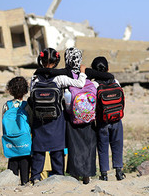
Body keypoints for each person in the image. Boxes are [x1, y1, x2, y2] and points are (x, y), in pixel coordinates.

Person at [28, 48, 87, 184]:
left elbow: (31, 95)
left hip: (39, 119)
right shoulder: (60, 78)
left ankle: (36, 176)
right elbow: (80, 84)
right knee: (57, 148)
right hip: (56, 118)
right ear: (56, 62)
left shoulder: (35, 77)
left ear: (41, 61)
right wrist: (82, 72)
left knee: (39, 148)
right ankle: (58, 175)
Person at [62, 47, 97, 184]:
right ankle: (87, 176)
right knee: (88, 146)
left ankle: (75, 176)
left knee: (74, 147)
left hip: (72, 119)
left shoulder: (66, 76)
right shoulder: (87, 75)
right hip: (88, 119)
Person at [89, 56, 125, 181]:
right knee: (117, 144)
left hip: (102, 121)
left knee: (102, 147)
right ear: (108, 68)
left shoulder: (94, 84)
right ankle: (119, 172)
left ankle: (104, 174)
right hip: (116, 119)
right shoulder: (116, 82)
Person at [2, 76, 31, 185]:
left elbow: (3, 123)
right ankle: (25, 183)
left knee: (12, 163)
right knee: (25, 162)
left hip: (11, 140)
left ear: (10, 90)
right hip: (25, 140)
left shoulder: (7, 105)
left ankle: (11, 185)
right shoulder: (27, 105)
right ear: (25, 91)